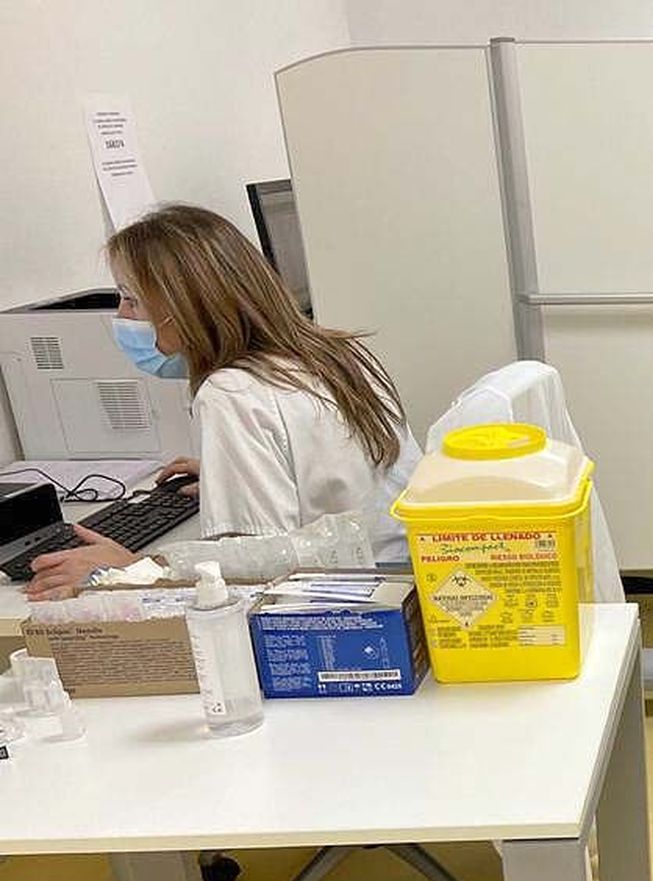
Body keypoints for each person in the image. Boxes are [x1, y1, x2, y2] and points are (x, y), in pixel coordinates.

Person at [24, 204, 420, 599]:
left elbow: (256, 578)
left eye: (131, 300)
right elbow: (349, 485)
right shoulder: (335, 352)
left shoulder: (230, 393)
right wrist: (229, 472)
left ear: (183, 309)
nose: (121, 315)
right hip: (401, 585)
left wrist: (133, 570)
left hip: (339, 607)